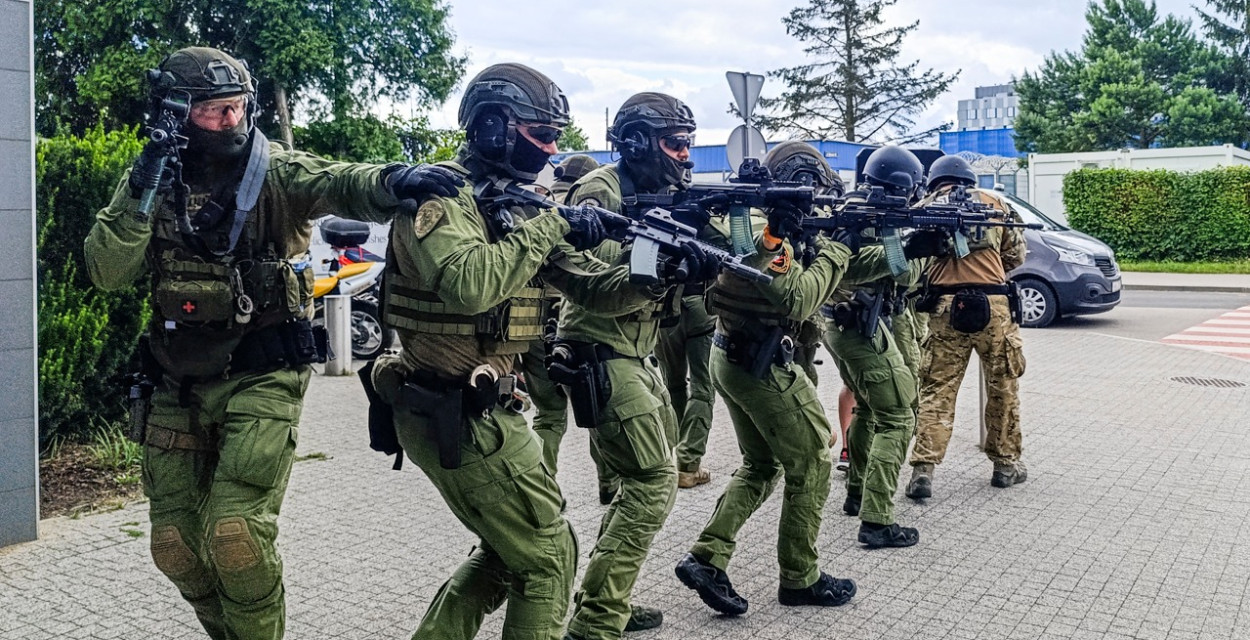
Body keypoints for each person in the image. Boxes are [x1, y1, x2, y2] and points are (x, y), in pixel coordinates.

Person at [83, 47, 463, 640]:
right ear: (175, 113)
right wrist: (145, 181)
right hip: (173, 376)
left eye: (235, 107)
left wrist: (394, 179)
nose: (229, 121)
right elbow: (107, 271)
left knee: (235, 536)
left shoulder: (275, 173)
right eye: (211, 112)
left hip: (263, 372)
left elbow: (337, 179)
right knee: (175, 546)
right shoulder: (147, 179)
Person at [366, 62, 641, 640]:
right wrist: (552, 224)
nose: (551, 150)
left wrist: (656, 271)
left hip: (479, 409)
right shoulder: (441, 199)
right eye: (541, 134)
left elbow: (593, 289)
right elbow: (470, 284)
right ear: (493, 128)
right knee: (548, 558)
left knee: (504, 554)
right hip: (457, 409)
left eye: (556, 137)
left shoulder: (512, 203)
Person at [675, 141, 860, 616]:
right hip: (762, 366)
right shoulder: (763, 231)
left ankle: (707, 556)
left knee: (760, 465)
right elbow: (799, 298)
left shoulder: (752, 225)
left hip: (733, 357)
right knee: (814, 462)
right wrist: (838, 248)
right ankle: (801, 577)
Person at [558, 91, 718, 640]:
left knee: (637, 481)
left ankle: (605, 600)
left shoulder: (667, 190)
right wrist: (655, 255)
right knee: (653, 482)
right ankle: (597, 620)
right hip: (601, 348)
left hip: (634, 351)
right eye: (676, 144)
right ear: (636, 143)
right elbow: (591, 277)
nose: (685, 156)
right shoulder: (598, 191)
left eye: (689, 144)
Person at [820, 145, 946, 549]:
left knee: (871, 409)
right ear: (903, 187)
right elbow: (898, 273)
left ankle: (858, 493)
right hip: (860, 326)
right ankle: (877, 519)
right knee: (898, 415)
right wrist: (917, 249)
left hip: (844, 325)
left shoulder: (857, 210)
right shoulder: (864, 219)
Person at [905, 155, 1029, 498]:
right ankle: (1005, 466)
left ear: (934, 181)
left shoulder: (924, 207)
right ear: (970, 180)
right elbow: (1016, 255)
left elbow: (911, 257)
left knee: (937, 389)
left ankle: (923, 472)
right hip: (995, 308)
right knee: (1003, 387)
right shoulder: (995, 203)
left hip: (945, 308)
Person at [528, 153, 622, 505]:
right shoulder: (596, 212)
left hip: (532, 326)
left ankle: (541, 491)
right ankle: (609, 483)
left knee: (549, 415)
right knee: (596, 408)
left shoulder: (536, 205)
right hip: (577, 327)